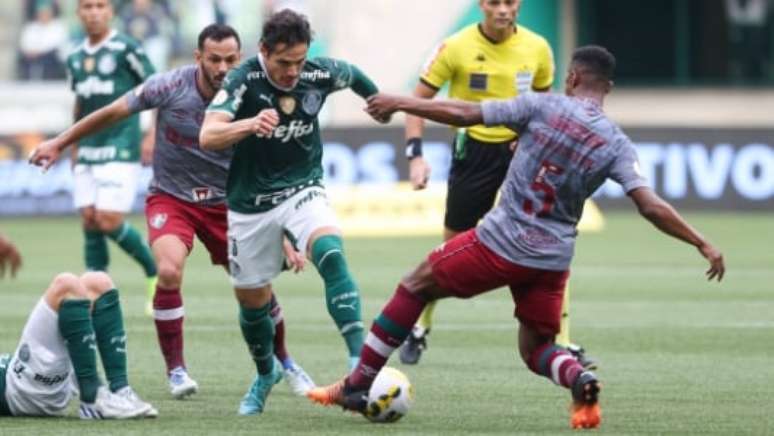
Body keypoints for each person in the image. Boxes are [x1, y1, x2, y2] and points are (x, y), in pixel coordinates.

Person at [306, 45, 725, 430]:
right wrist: (701, 241)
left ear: (572, 78)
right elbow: (649, 205)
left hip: (500, 242)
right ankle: (579, 378)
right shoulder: (617, 144)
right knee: (536, 349)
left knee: (415, 284)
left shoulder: (542, 106)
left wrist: (401, 102)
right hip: (552, 261)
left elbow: (466, 114)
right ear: (608, 88)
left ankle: (357, 385)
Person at [30, 24, 315, 400]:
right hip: (172, 198)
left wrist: (286, 232)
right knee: (167, 269)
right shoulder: (168, 86)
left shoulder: (254, 97)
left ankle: (286, 362)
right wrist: (59, 142)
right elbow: (113, 111)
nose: (223, 67)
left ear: (241, 58)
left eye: (231, 59)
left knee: (256, 289)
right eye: (214, 59)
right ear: (198, 58)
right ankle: (177, 371)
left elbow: (273, 168)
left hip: (230, 204)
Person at [199, 9, 383, 415]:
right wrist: (247, 125)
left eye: (299, 61)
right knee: (253, 302)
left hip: (303, 187)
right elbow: (208, 134)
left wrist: (377, 101)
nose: (293, 72)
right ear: (264, 51)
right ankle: (266, 373)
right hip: (250, 206)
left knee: (331, 252)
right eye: (284, 63)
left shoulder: (318, 73)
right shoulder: (242, 79)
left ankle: (360, 366)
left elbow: (352, 74)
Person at [399, 0, 591, 368]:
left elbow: (545, 104)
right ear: (482, 5)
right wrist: (416, 156)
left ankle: (563, 341)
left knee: (548, 241)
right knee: (453, 250)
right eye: (493, 2)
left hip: (524, 155)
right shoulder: (455, 46)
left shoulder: (538, 48)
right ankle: (420, 326)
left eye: (510, 1)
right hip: (474, 153)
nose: (503, 9)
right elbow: (415, 102)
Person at [63, 0, 158, 314]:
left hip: (121, 144)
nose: (93, 12)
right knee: (90, 220)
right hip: (87, 147)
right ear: (78, 13)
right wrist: (73, 145)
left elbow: (157, 89)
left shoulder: (126, 48)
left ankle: (153, 271)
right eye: (87, 6)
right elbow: (80, 103)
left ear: (110, 12)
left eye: (100, 5)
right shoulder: (75, 56)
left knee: (108, 219)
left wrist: (152, 134)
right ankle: (95, 292)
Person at [0, 271, 157, 419]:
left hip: (33, 378)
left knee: (98, 283)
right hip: (23, 391)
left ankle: (122, 390)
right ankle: (92, 398)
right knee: (66, 285)